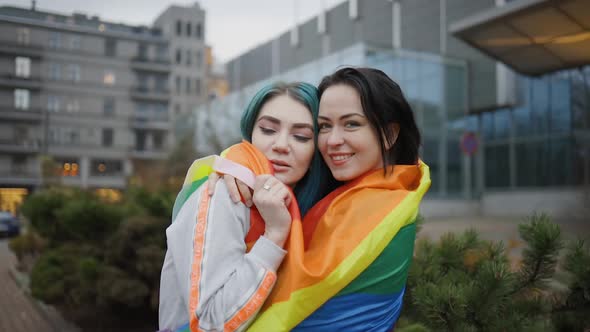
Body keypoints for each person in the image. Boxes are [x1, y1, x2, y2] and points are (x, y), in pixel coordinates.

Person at [217, 67, 431, 331]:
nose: (332, 140)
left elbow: (292, 285)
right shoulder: (348, 191)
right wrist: (243, 160)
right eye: (324, 127)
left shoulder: (380, 205)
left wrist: (244, 162)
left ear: (389, 135)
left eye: (351, 123)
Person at [158, 82, 334, 332]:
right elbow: (209, 323)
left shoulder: (313, 207)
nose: (281, 144)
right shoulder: (226, 193)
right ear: (249, 136)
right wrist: (274, 234)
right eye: (268, 130)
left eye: (301, 136)